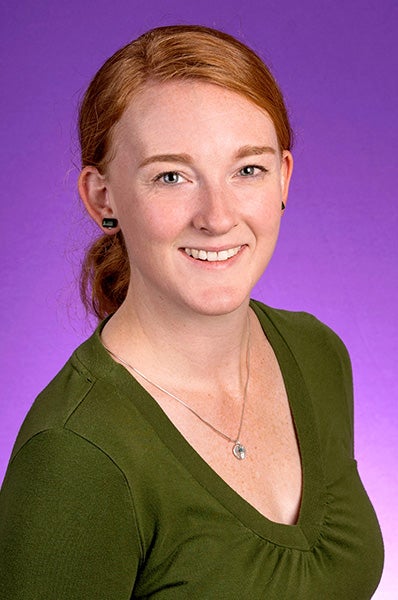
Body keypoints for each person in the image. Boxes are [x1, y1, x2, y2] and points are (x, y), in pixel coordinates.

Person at [0, 25, 383, 599]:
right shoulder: (74, 454)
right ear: (102, 196)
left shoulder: (317, 354)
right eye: (171, 176)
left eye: (247, 169)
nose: (217, 215)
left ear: (284, 176)